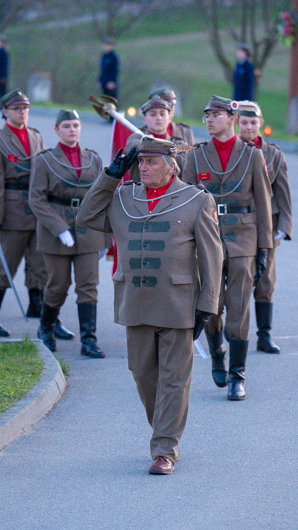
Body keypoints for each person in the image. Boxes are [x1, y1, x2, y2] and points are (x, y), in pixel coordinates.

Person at [78, 136, 223, 475]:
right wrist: (110, 176)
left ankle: (164, 449)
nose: (143, 168)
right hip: (136, 300)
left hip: (178, 303)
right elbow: (86, 216)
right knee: (143, 375)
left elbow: (213, 256)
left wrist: (209, 304)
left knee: (174, 379)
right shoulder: (123, 198)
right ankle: (163, 431)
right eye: (139, 162)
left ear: (171, 166)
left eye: (151, 162)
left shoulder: (195, 200)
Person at [181, 95, 272, 401]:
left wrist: (264, 248)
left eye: (215, 114)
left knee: (239, 306)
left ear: (231, 118)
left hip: (244, 238)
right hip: (208, 238)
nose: (208, 119)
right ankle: (217, 349)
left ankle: (237, 374)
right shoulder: (195, 156)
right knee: (211, 304)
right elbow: (187, 201)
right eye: (206, 114)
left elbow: (263, 202)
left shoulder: (251, 155)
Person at [29, 110, 106, 358]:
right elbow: (37, 200)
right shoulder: (44, 160)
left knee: (88, 286)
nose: (72, 130)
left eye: (75, 125)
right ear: (56, 130)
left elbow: (102, 196)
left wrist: (105, 234)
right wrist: (59, 228)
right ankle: (46, 329)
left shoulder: (93, 159)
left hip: (88, 230)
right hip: (56, 229)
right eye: (66, 126)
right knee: (57, 285)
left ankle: (89, 340)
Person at [0, 90, 46, 337]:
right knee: (7, 267)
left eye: (25, 107)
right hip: (13, 210)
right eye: (16, 108)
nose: (22, 111)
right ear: (5, 111)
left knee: (40, 264)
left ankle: (37, 306)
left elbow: (44, 175)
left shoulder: (36, 136)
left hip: (36, 208)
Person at [235, 100, 293, 354]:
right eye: (244, 122)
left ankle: (264, 334)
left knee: (266, 280)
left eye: (253, 122)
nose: (248, 127)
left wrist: (286, 226)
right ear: (237, 123)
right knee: (239, 279)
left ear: (261, 123)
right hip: (238, 226)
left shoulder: (273, 154)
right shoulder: (231, 151)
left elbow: (283, 191)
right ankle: (236, 332)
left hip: (267, 225)